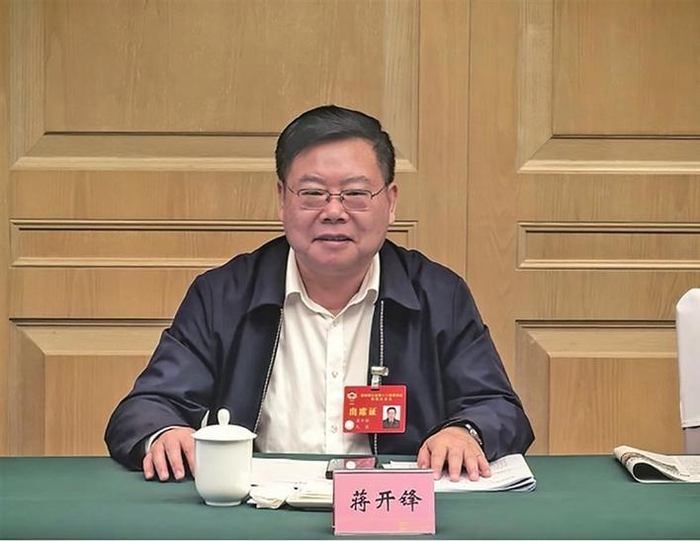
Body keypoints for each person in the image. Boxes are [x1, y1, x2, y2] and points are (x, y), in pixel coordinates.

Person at [105, 105, 534, 484]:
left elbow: (497, 407)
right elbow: (147, 407)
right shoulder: (223, 295)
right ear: (282, 199)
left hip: (391, 515)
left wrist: (464, 432)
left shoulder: (438, 295)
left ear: (390, 202)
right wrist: (166, 433)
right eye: (312, 193)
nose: (333, 211)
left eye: (355, 194)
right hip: (260, 513)